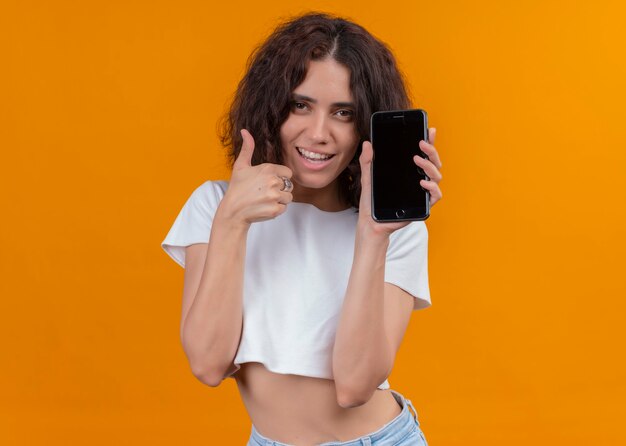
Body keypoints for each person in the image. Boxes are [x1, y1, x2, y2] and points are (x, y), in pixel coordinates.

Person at [161, 12, 443, 446]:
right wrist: (234, 221)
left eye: (343, 113)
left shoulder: (393, 230)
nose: (319, 133)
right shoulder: (216, 205)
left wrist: (371, 235)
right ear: (271, 107)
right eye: (301, 105)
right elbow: (208, 363)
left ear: (366, 124)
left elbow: (354, 386)